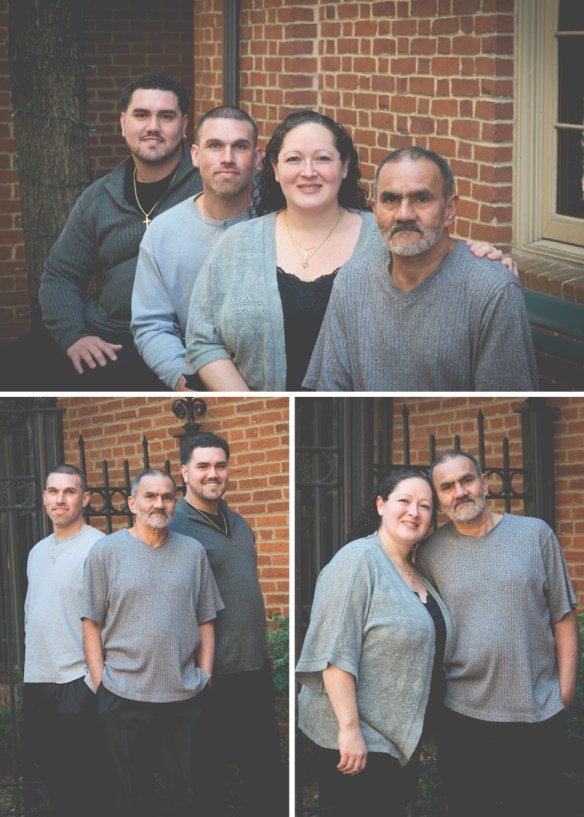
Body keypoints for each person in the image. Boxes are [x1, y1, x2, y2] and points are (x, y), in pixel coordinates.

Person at [183, 111, 510, 391]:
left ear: (344, 166)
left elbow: (438, 248)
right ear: (275, 167)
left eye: (323, 158)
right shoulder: (237, 244)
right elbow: (202, 338)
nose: (308, 171)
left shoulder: (390, 234)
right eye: (294, 159)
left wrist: (489, 262)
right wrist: (255, 403)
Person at [2, 70, 202, 391]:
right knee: (14, 364)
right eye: (141, 115)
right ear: (124, 123)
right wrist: (74, 338)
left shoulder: (210, 189)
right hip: (110, 336)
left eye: (166, 116)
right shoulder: (99, 197)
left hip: (180, 342)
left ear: (184, 126)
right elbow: (60, 275)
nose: (153, 126)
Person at [415, 450, 579, 817]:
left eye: (466, 480)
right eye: (447, 487)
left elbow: (563, 616)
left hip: (535, 710)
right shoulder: (430, 554)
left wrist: (564, 692)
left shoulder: (535, 535)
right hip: (462, 716)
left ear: (485, 483)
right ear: (439, 500)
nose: (460, 492)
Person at [303, 146, 539, 391]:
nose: (404, 214)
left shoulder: (492, 291)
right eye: (391, 199)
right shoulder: (353, 277)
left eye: (422, 199)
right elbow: (332, 388)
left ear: (450, 209)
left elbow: (500, 403)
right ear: (375, 210)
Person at [296, 468, 453, 817]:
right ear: (381, 505)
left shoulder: (414, 571)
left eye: (425, 506)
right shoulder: (357, 560)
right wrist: (350, 731)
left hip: (393, 742)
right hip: (357, 742)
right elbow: (336, 652)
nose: (414, 511)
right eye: (404, 501)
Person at [82, 468, 223, 817]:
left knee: (187, 797)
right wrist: (102, 684)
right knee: (131, 798)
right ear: (132, 503)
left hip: (184, 696)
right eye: (150, 496)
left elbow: (206, 618)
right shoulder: (105, 552)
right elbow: (91, 623)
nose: (159, 504)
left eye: (167, 496)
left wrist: (205, 675)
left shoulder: (193, 552)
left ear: (175, 502)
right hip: (123, 696)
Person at [169, 432, 287, 817]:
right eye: (202, 466)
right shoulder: (177, 526)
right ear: (185, 472)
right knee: (209, 781)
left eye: (220, 465)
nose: (212, 473)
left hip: (254, 669)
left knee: (266, 776)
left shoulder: (238, 522)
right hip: (212, 675)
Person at [131, 105, 261, 390]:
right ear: (195, 155)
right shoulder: (164, 232)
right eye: (215, 146)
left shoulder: (282, 221)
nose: (227, 158)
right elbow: (152, 326)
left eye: (240, 146)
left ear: (257, 157)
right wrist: (182, 381)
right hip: (198, 377)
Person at [23, 465, 110, 817]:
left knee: (88, 783)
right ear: (45, 497)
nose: (60, 499)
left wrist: (91, 683)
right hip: (38, 681)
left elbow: (112, 620)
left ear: (85, 498)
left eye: (70, 491)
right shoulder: (35, 551)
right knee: (55, 782)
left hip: (77, 681)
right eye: (53, 491)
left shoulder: (100, 546)